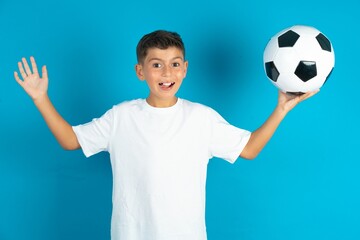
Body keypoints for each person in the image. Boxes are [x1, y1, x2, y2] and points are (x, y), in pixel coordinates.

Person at [14, 30, 318, 240]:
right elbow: (70, 140)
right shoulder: (121, 116)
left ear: (185, 69)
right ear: (140, 71)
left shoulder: (201, 118)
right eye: (156, 65)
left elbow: (249, 149)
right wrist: (41, 98)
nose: (166, 73)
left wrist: (281, 109)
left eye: (174, 65)